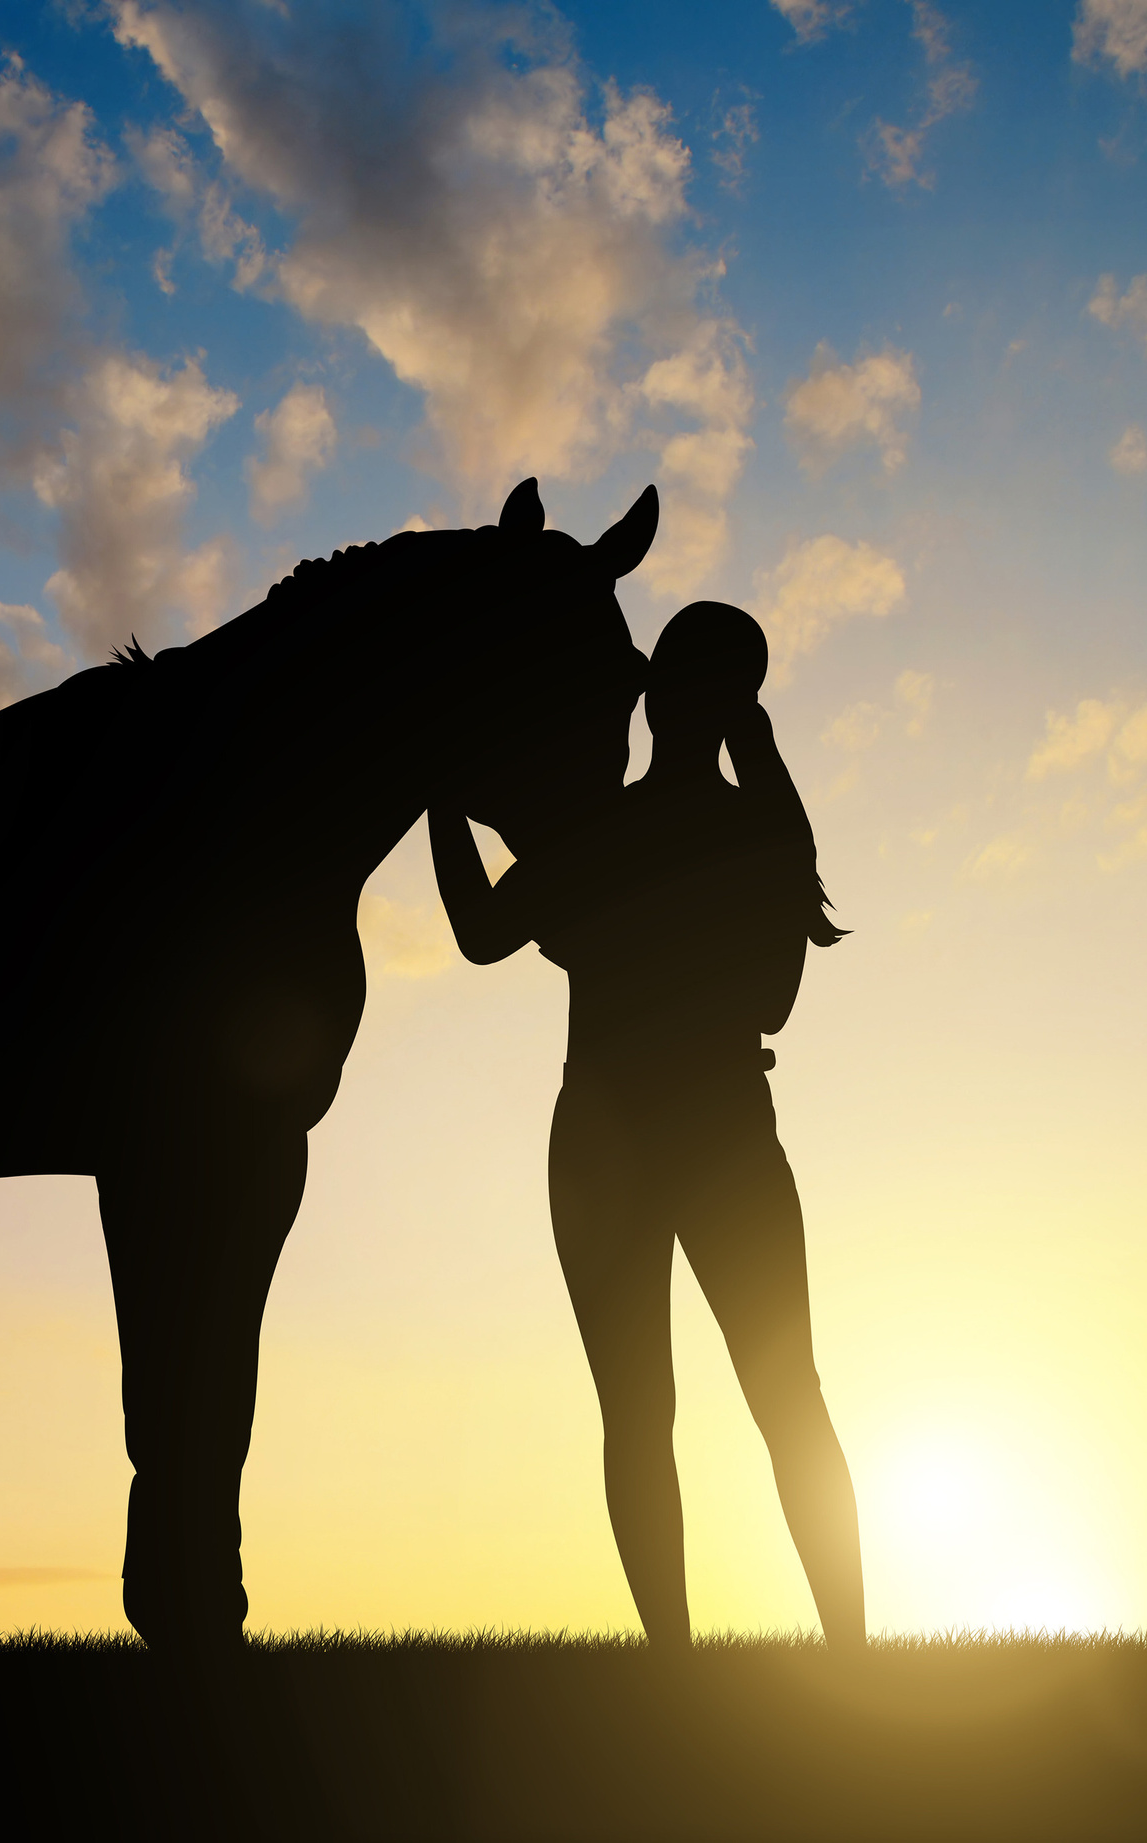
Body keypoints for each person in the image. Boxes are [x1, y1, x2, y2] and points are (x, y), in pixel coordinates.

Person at [429, 600, 865, 1648]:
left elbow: (483, 931)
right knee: (782, 1396)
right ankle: (850, 1653)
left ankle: (676, 1663)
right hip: (720, 1126)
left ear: (653, 686)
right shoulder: (755, 829)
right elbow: (770, 1004)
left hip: (613, 1136)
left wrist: (439, 793)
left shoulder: (608, 828)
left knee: (643, 1410)